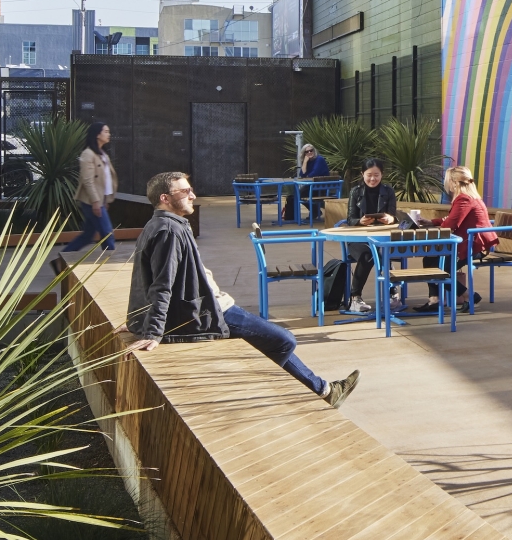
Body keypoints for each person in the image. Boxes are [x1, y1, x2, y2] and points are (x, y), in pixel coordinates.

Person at [126, 170, 358, 408]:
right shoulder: (170, 231)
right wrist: (152, 331)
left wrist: (139, 317)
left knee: (274, 341)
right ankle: (267, 385)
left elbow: (144, 276)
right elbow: (161, 284)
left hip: (207, 304)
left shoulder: (160, 224)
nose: (193, 195)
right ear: (165, 198)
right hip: (209, 310)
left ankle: (325, 391)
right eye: (185, 191)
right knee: (284, 341)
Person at [324, 157, 401, 313]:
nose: (373, 179)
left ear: (382, 175)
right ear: (362, 174)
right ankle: (355, 298)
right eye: (369, 175)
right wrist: (360, 221)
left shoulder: (388, 191)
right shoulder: (355, 192)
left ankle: (392, 294)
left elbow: (394, 216)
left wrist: (391, 218)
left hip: (381, 238)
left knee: (382, 251)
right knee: (369, 254)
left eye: (376, 175)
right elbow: (350, 219)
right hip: (358, 240)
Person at [435, 165, 502, 311]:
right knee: (432, 261)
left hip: (474, 245)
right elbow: (452, 220)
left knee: (438, 270)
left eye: (448, 181)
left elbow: (449, 225)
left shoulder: (464, 199)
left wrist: (441, 224)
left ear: (454, 182)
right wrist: (432, 222)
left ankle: (468, 295)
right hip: (473, 243)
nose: (447, 185)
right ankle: (435, 299)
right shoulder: (471, 198)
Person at [75, 122, 117, 254]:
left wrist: (106, 199)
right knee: (107, 234)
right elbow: (88, 180)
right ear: (97, 135)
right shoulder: (88, 154)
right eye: (106, 131)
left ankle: (60, 262)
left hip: (101, 200)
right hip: (92, 201)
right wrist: (96, 202)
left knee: (87, 236)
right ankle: (112, 265)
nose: (108, 134)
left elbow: (107, 180)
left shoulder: (102, 154)